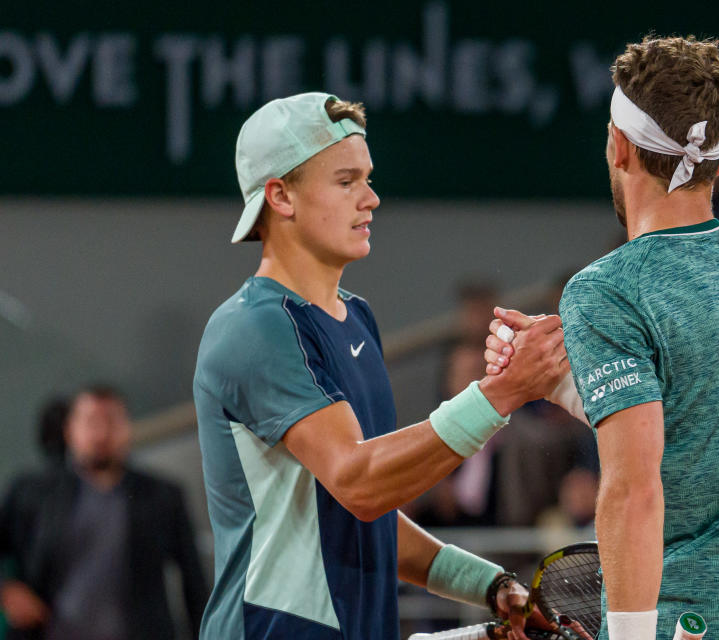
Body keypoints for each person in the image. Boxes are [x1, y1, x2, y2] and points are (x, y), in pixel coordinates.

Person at [486, 36, 719, 639]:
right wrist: (567, 385)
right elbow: (700, 438)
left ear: (617, 145)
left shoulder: (607, 291)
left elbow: (633, 490)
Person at [193, 92, 571, 639]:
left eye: (367, 179)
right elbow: (360, 484)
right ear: (280, 196)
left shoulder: (357, 318)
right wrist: (502, 393)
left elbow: (361, 519)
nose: (370, 198)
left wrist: (490, 586)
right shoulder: (254, 328)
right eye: (346, 181)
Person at [0, 385, 209, 640]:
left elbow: (194, 582)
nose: (100, 433)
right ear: (69, 430)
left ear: (127, 428)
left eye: (111, 421)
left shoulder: (162, 496)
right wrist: (7, 589)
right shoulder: (31, 493)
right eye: (90, 422)